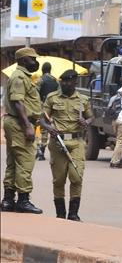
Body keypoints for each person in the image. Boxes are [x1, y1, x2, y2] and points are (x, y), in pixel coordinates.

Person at [40, 70, 93, 220]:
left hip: (76, 142)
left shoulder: (83, 99)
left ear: (74, 83)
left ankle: (73, 214)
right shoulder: (52, 98)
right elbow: (42, 119)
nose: (64, 84)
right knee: (59, 179)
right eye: (62, 81)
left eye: (67, 82)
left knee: (76, 177)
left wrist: (86, 122)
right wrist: (49, 128)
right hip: (58, 142)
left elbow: (91, 117)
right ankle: (61, 214)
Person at [1, 47, 43, 214]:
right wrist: (27, 126)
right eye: (32, 59)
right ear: (24, 60)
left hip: (15, 122)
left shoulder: (22, 76)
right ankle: (23, 201)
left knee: (13, 162)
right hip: (19, 124)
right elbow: (18, 102)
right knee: (25, 161)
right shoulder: (19, 77)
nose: (35, 62)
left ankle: (8, 200)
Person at [35, 62, 58, 161]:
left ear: (42, 70)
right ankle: (42, 151)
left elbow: (35, 94)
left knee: (34, 127)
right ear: (50, 69)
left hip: (40, 107)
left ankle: (37, 149)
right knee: (45, 129)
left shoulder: (40, 80)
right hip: (51, 108)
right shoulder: (55, 80)